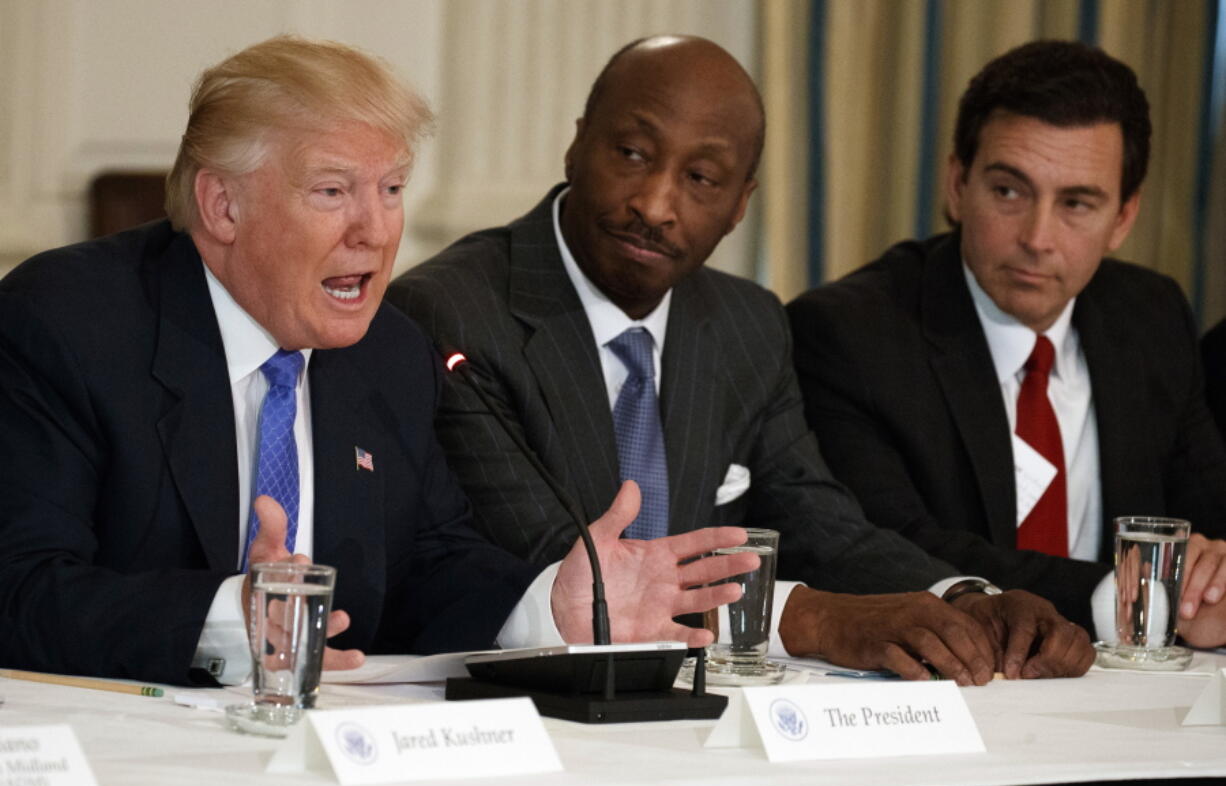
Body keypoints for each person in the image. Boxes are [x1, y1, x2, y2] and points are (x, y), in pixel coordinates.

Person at [0, 36, 761, 687]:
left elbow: (430, 564)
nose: (374, 230)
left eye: (392, 189)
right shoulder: (70, 323)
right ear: (222, 206)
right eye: (333, 191)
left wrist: (549, 604)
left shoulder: (390, 352)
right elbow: (21, 591)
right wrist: (225, 619)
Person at [387, 35, 1095, 684]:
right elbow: (566, 570)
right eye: (632, 154)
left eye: (701, 178)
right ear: (576, 147)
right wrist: (815, 619)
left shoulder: (745, 324)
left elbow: (817, 519)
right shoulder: (452, 313)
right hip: (532, 708)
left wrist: (965, 599)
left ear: (739, 205)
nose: (656, 204)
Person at [788, 40, 1226, 646]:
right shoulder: (851, 333)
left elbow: (1208, 523)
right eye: (1009, 192)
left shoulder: (1152, 318)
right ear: (958, 184)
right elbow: (885, 542)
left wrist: (1210, 576)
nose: (1037, 237)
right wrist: (1129, 599)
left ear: (1123, 218)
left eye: (1076, 203)